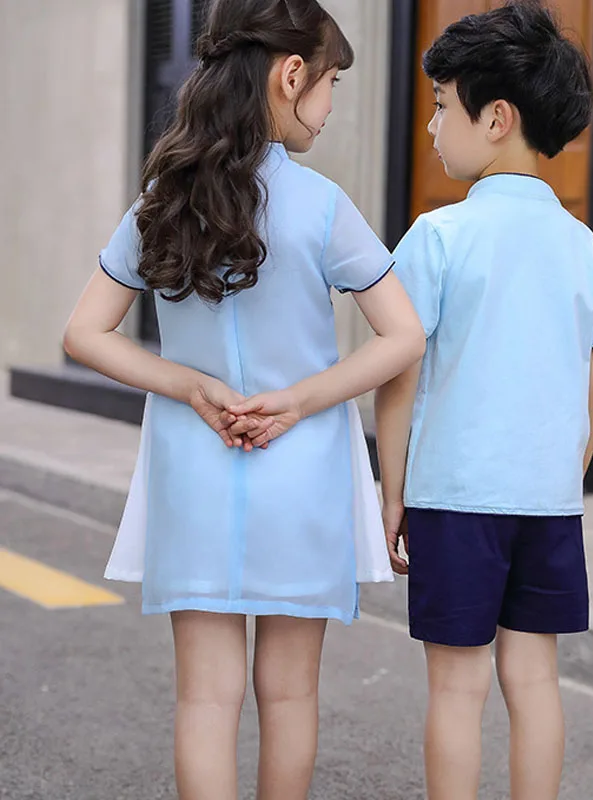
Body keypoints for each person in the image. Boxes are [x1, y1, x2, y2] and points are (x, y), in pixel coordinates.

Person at [63, 1, 424, 798]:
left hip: (193, 468)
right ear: (292, 75)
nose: (329, 107)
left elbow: (84, 333)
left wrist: (189, 384)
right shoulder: (323, 205)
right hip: (302, 470)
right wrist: (299, 400)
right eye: (330, 85)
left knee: (204, 698)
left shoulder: (163, 197)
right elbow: (404, 337)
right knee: (289, 695)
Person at [375, 3, 593, 799]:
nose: (431, 128)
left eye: (441, 107)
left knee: (457, 686)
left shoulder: (437, 237)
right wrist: (566, 471)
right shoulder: (586, 247)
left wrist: (392, 491)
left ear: (496, 118)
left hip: (455, 496)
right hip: (547, 499)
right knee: (535, 677)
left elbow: (398, 374)